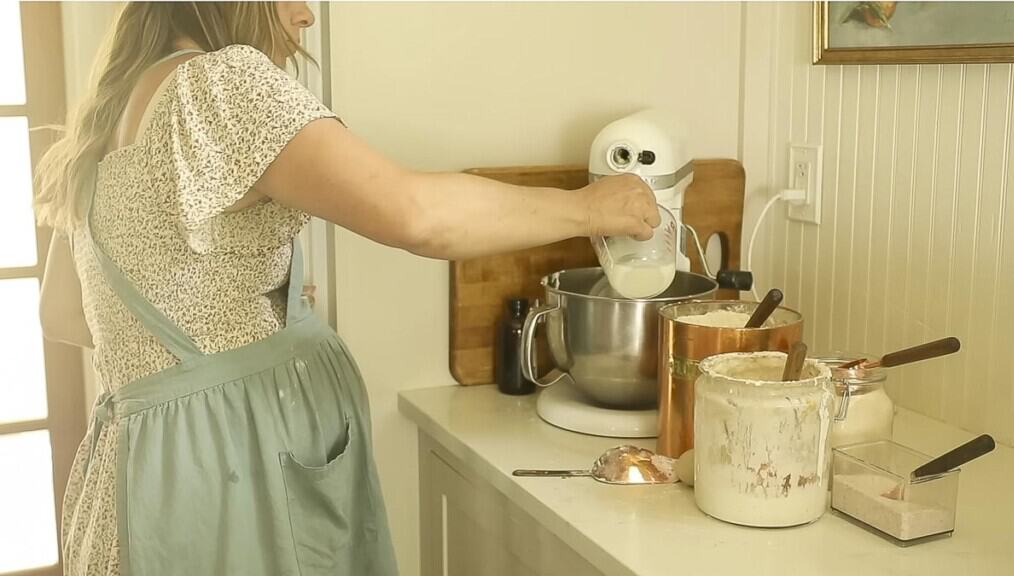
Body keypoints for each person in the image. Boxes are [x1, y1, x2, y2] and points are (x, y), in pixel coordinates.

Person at [35, 2, 659, 575]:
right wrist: (589, 209)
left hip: (138, 477)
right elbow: (417, 216)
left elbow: (64, 312)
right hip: (228, 479)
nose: (306, 15)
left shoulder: (108, 111)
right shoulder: (221, 84)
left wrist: (224, 308)